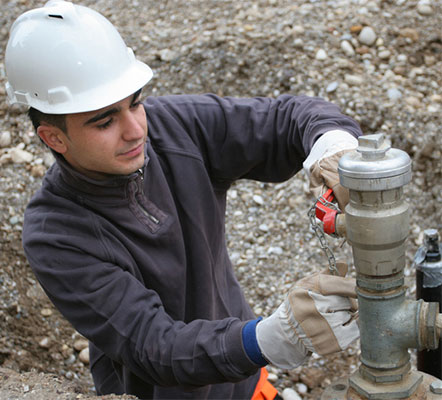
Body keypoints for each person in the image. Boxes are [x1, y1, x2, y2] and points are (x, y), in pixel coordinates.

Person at [5, 1, 361, 399]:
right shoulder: (55, 233)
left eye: (135, 102)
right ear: (54, 138)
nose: (135, 129)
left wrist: (333, 144)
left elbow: (287, 117)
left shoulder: (174, 128)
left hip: (244, 382)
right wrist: (268, 338)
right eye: (105, 121)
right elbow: (153, 344)